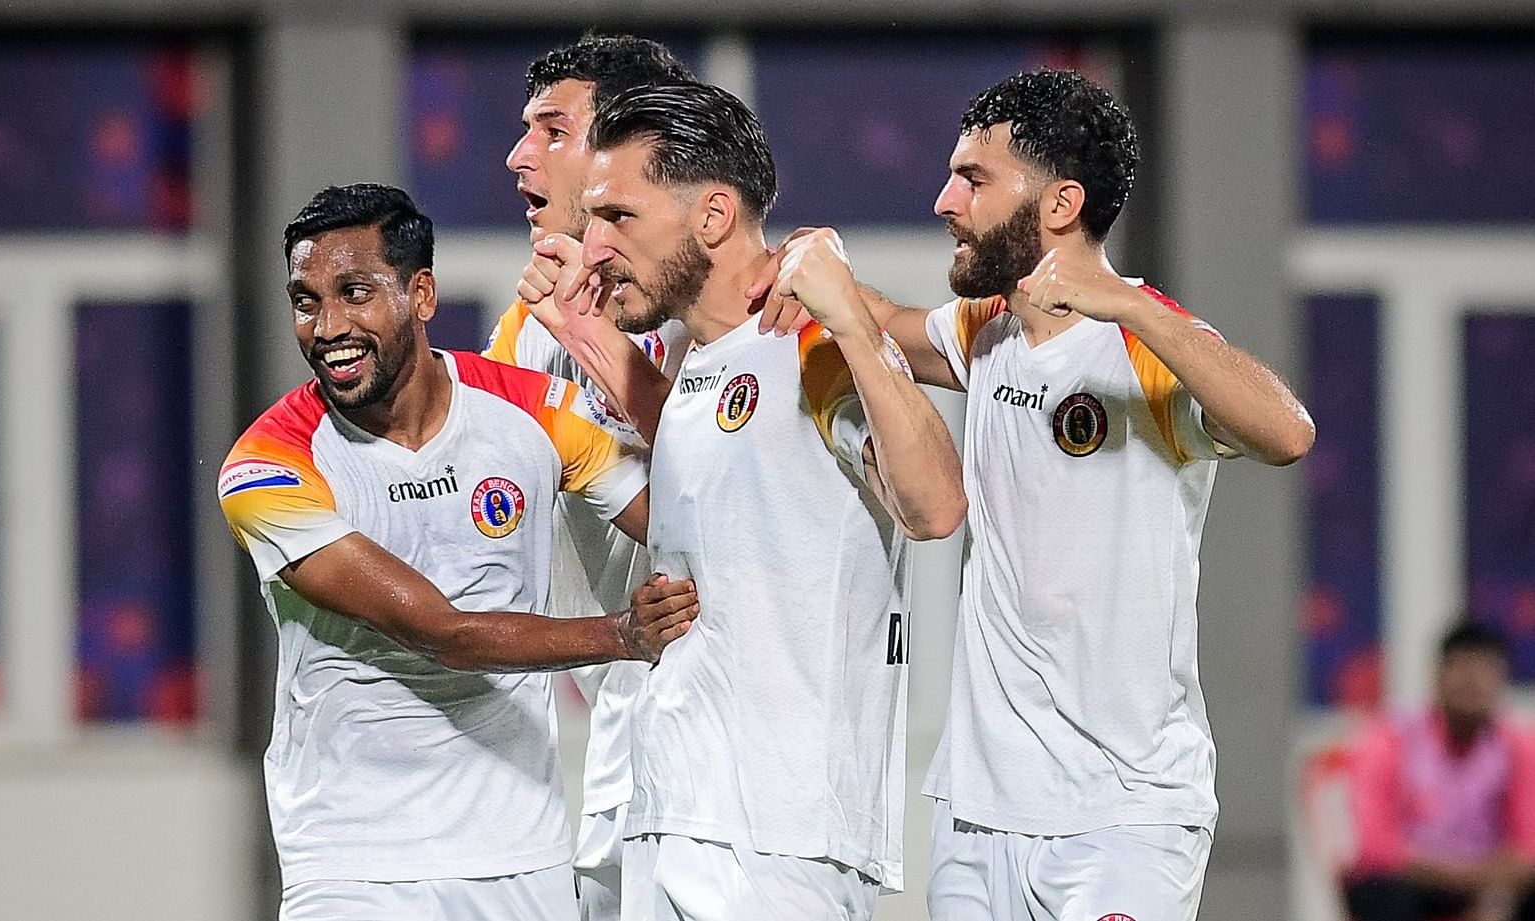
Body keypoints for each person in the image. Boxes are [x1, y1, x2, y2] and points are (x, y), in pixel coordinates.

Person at [749, 68, 1316, 920]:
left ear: (1059, 204)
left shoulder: (1142, 345)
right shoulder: (990, 328)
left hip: (1123, 816)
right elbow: (885, 326)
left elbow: (1289, 431)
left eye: (973, 179)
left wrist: (1129, 304)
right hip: (978, 809)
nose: (944, 200)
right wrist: (801, 263)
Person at [519, 81, 967, 921]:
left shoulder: (815, 342)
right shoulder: (707, 355)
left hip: (775, 840)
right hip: (674, 814)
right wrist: (582, 333)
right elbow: (722, 457)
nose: (596, 240)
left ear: (713, 216)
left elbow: (937, 505)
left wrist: (859, 329)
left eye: (619, 217)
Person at [217, 183, 697, 921]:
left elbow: (683, 522)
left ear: (421, 294)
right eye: (306, 300)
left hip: (520, 855)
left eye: (354, 292)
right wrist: (621, 635)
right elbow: (441, 631)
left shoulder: (531, 410)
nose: (327, 326)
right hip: (352, 863)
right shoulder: (269, 464)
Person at [489, 35, 696, 920]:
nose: (517, 156)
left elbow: (730, 493)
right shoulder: (533, 324)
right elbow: (474, 467)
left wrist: (584, 331)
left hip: (754, 768)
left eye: (551, 129)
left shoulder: (739, 299)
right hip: (624, 746)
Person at [1344, 621, 1535, 921]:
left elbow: (1527, 847)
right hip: (1414, 881)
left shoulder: (1518, 748)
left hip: (1489, 882)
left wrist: (1494, 892)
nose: (1472, 682)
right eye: (1460, 668)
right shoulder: (1389, 741)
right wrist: (1462, 877)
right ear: (1437, 674)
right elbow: (1376, 846)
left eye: (1485, 670)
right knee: (1376, 892)